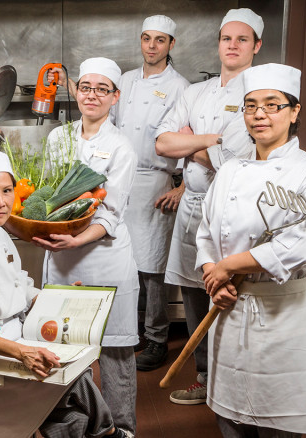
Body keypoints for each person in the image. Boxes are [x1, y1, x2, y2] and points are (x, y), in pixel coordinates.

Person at [0, 150, 130, 438]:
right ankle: (109, 433)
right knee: (70, 381)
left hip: (18, 339)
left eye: (7, 191)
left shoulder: (1, 237)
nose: (1, 201)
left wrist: (62, 299)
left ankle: (101, 431)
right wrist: (23, 352)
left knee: (74, 380)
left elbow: (21, 289)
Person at [197, 63, 306, 437]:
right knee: (230, 419)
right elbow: (206, 231)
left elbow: (297, 247)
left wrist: (227, 266)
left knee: (279, 422)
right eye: (251, 105)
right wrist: (214, 276)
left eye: (272, 105)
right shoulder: (229, 171)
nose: (259, 114)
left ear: (294, 110)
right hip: (227, 306)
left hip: (281, 315)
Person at [154, 7, 262, 405]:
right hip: (192, 208)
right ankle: (204, 376)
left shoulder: (256, 96)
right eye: (226, 38)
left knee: (229, 294)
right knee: (196, 296)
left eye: (242, 39)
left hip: (232, 211)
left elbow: (234, 162)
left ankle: (235, 382)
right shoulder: (195, 91)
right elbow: (163, 143)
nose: (232, 46)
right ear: (218, 43)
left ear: (256, 46)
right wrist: (213, 140)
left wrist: (193, 140)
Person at [34, 57, 139, 436]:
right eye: (85, 87)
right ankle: (79, 430)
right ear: (76, 91)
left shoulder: (121, 147)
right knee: (64, 350)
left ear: (115, 96)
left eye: (102, 89)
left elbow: (109, 212)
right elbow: (47, 194)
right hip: (63, 261)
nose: (91, 95)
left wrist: (76, 240)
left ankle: (122, 430)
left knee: (113, 354)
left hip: (104, 259)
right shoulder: (58, 138)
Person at [112, 15, 189, 370]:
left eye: (160, 40)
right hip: (120, 181)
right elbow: (110, 126)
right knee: (123, 261)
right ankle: (130, 333)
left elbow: (188, 141)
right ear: (140, 41)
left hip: (157, 181)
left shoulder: (180, 88)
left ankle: (157, 340)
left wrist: (183, 186)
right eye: (147, 38)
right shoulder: (125, 81)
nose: (152, 46)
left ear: (171, 45)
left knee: (153, 268)